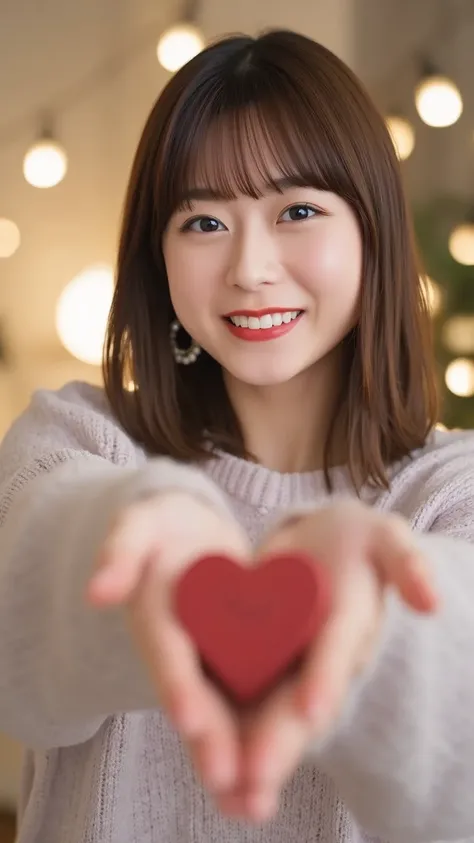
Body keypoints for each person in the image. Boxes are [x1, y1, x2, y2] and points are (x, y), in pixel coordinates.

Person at [1, 27, 474, 843]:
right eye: (203, 222)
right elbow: (21, 650)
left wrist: (366, 619)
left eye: (297, 210)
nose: (250, 267)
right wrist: (142, 539)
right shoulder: (80, 438)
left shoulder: (447, 494)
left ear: (372, 234)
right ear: (159, 253)